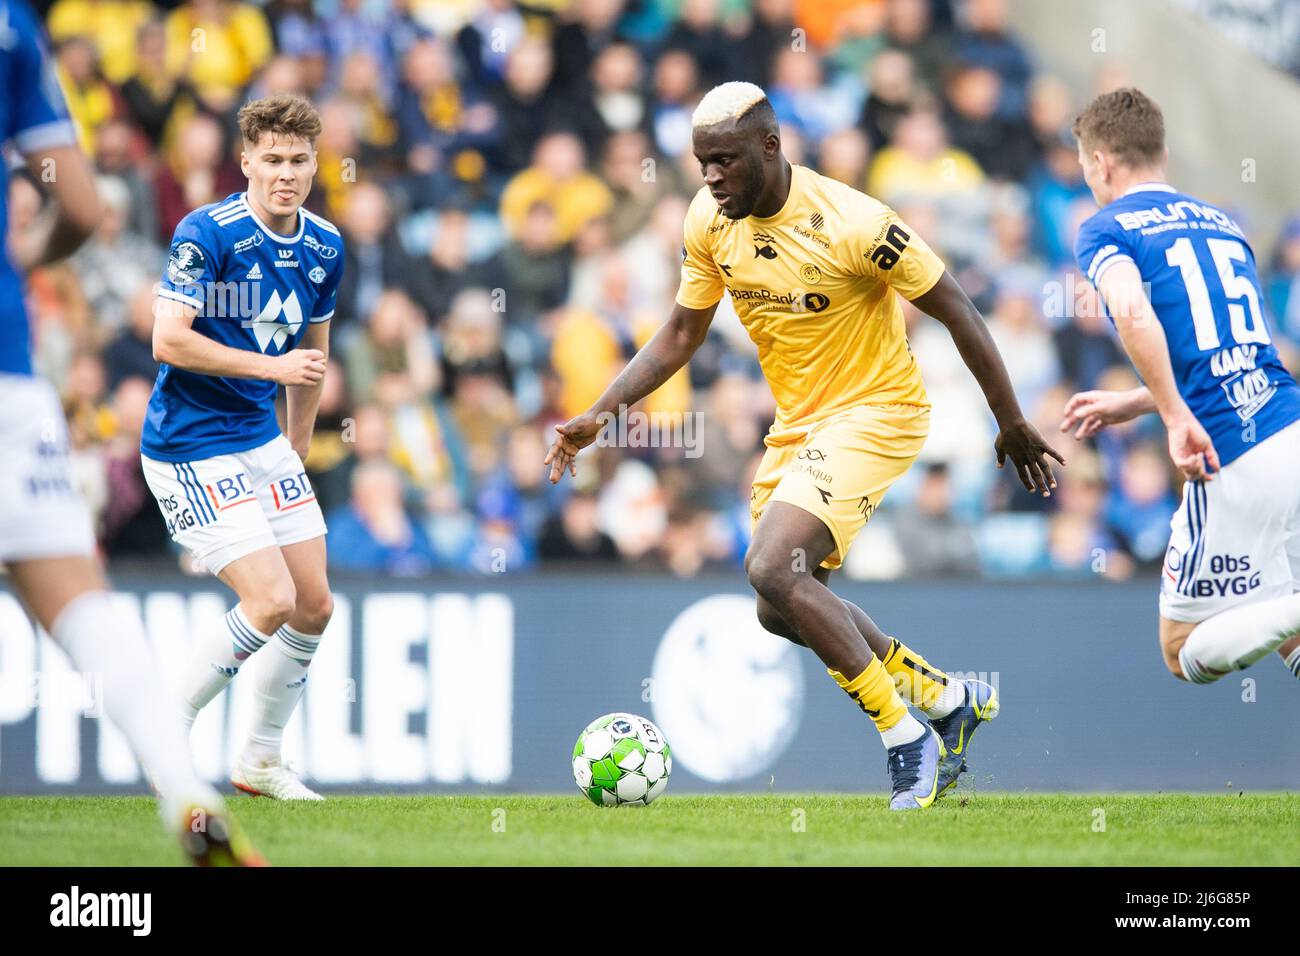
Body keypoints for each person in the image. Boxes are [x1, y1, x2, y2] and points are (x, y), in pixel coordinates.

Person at [545, 82, 1063, 809]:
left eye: (724, 160)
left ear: (769, 146)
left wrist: (1008, 418)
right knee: (777, 602)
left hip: (878, 411)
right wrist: (604, 411)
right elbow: (681, 333)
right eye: (701, 164)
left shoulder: (855, 222)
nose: (711, 177)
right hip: (800, 425)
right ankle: (944, 700)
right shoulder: (709, 222)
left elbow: (959, 312)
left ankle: (903, 737)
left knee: (771, 564)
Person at [0, 0, 260, 865]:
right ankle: (183, 790)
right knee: (78, 597)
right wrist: (23, 265)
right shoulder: (10, 26)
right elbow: (74, 203)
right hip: (8, 372)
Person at [1062, 88, 1300, 685]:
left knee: (1182, 650)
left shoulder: (1105, 228)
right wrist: (1138, 401)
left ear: (1100, 164)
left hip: (1232, 452)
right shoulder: (1223, 223)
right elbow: (1238, 353)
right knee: (1280, 627)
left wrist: (1170, 415)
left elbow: (1134, 313)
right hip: (1287, 426)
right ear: (1162, 152)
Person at [145, 92, 344, 800]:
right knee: (269, 600)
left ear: (316, 164)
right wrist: (271, 370)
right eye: (272, 160)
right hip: (189, 443)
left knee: (314, 604)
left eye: (298, 160)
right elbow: (168, 338)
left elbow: (313, 357)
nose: (285, 173)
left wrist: (296, 443)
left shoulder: (324, 246)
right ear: (246, 161)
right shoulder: (208, 233)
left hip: (262, 440)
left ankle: (259, 760)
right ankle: (162, 728)